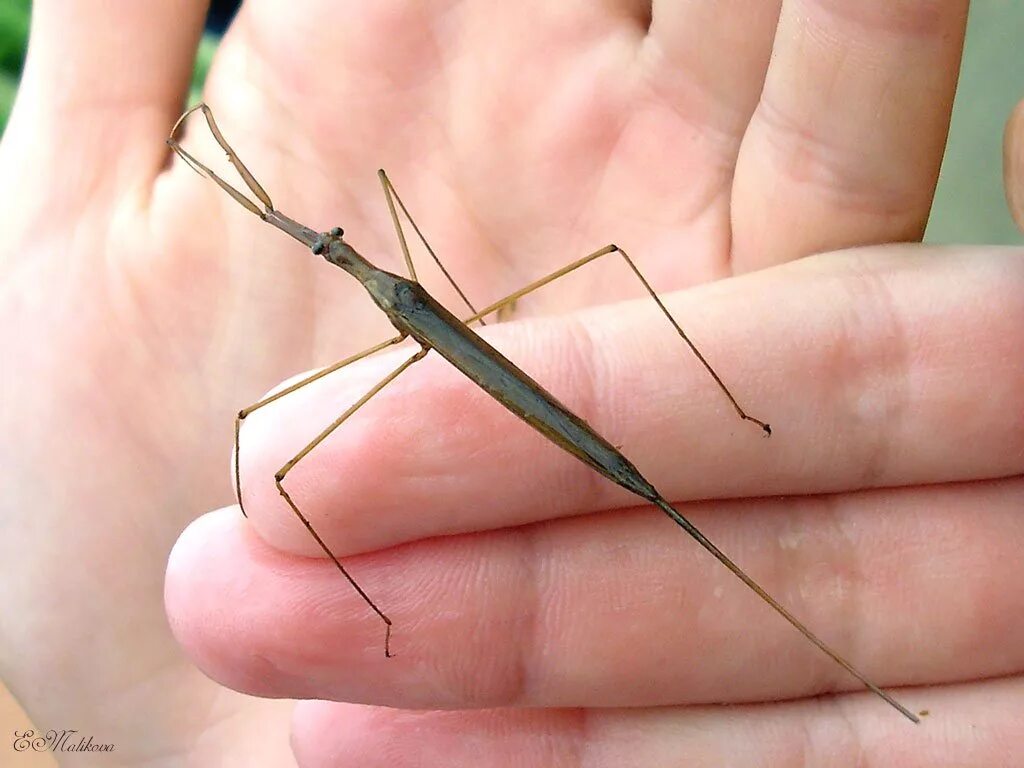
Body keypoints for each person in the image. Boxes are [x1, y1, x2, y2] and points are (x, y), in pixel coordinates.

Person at [2, 1, 1021, 764]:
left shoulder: (386, 285)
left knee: (623, 389)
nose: (322, 242)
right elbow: (301, 224)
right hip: (448, 338)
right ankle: (849, 659)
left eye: (328, 244)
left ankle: (844, 649)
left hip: (509, 382)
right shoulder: (377, 269)